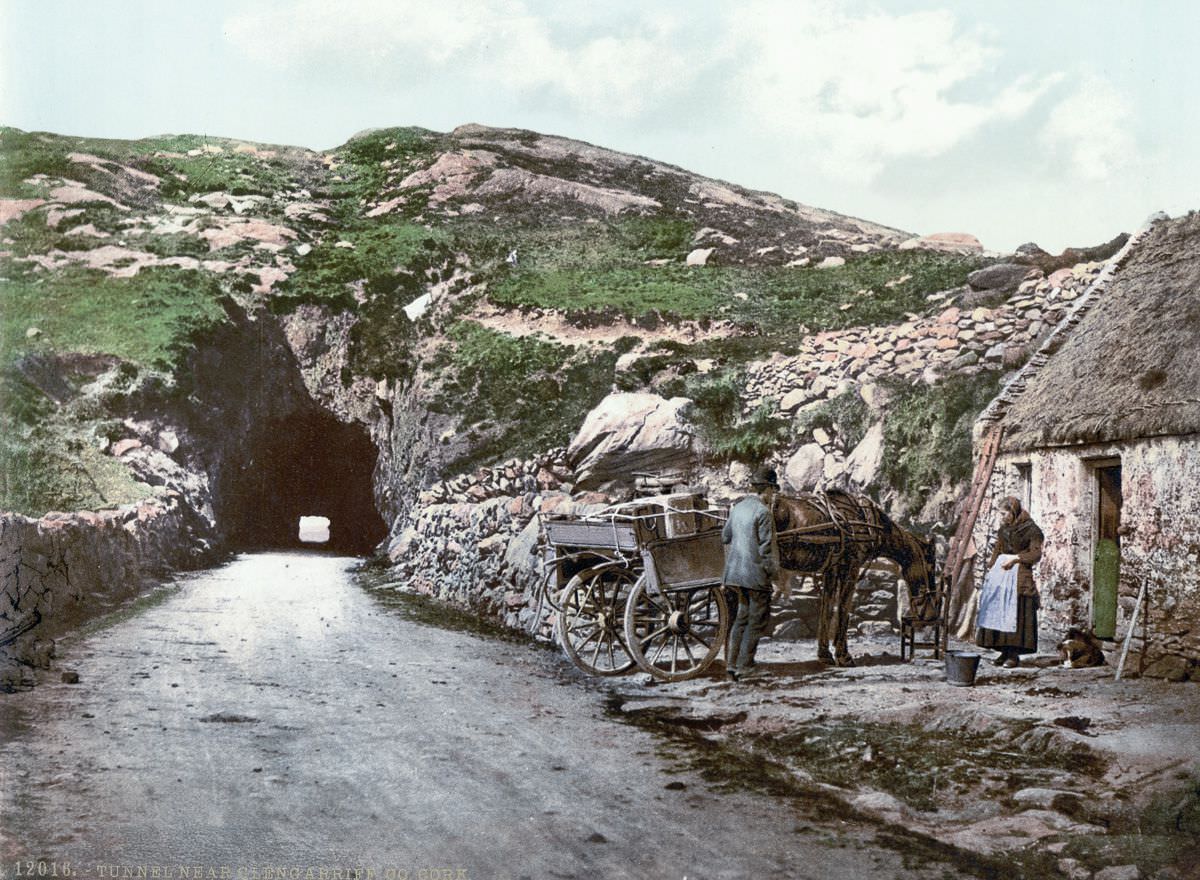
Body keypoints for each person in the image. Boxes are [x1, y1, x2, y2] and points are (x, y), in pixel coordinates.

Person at [722, 465, 780, 681]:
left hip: (734, 575)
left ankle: (731, 664)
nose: (773, 495)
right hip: (755, 575)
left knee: (741, 618)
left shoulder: (737, 508)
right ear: (766, 490)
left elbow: (725, 536)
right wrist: (774, 577)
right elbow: (767, 549)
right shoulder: (763, 512)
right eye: (772, 491)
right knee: (757, 620)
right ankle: (746, 666)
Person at [976, 496, 1044, 668]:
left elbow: (1035, 554)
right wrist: (991, 569)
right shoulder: (1004, 530)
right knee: (1000, 612)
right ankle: (1004, 651)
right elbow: (997, 550)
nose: (1002, 517)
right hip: (1002, 574)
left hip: (1019, 575)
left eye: (1004, 513)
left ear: (1013, 512)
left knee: (1017, 612)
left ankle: (1013, 654)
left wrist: (1016, 558)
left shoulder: (1031, 530)